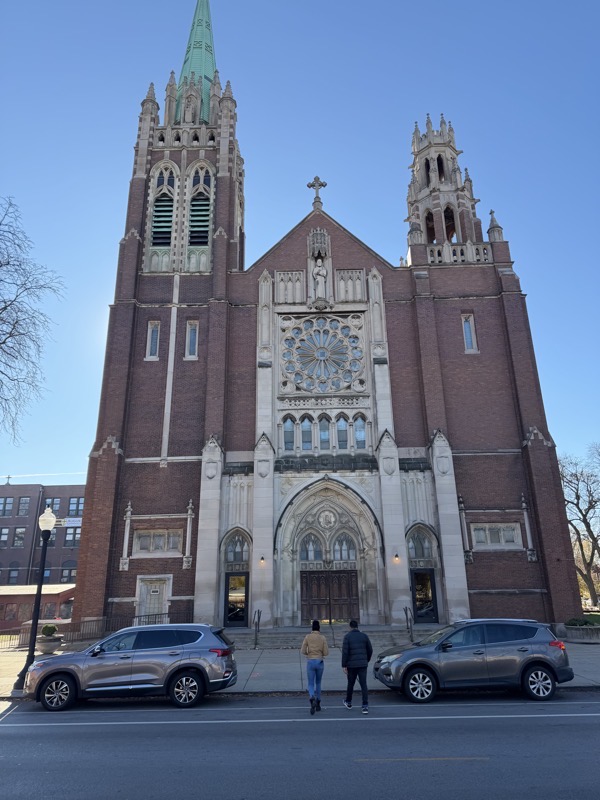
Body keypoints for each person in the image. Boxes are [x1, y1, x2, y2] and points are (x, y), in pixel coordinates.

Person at [341, 619, 373, 714]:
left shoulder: (347, 637)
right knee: (363, 684)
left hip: (351, 665)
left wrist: (344, 665)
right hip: (362, 664)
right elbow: (370, 650)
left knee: (351, 683)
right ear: (357, 626)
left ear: (350, 627)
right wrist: (366, 660)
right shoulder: (364, 636)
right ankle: (365, 705)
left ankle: (349, 701)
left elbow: (345, 652)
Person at [301, 619, 329, 715]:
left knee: (310, 683)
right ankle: (318, 701)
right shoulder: (322, 638)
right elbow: (326, 652)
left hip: (310, 661)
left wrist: (308, 653)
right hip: (320, 661)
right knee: (318, 682)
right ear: (319, 628)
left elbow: (303, 650)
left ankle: (311, 696)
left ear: (312, 628)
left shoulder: (308, 637)